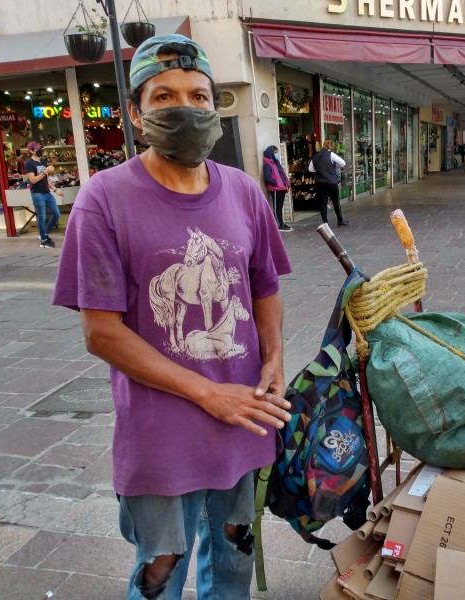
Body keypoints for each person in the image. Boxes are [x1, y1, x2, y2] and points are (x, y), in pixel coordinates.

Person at [52, 34, 293, 600]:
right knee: (161, 572)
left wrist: (275, 358)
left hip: (245, 419)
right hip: (161, 433)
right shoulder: (104, 199)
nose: (184, 107)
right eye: (163, 97)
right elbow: (101, 332)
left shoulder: (244, 192)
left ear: (215, 106)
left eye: (198, 95)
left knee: (234, 555)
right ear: (136, 113)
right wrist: (210, 395)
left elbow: (264, 288)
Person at [24, 140, 62, 248]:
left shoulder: (43, 161)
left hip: (47, 192)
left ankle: (44, 234)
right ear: (32, 150)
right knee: (42, 217)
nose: (40, 150)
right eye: (37, 148)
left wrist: (55, 189)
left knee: (57, 214)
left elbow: (47, 179)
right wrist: (45, 172)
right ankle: (44, 241)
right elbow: (33, 180)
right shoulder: (29, 163)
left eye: (40, 148)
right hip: (37, 193)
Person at [308, 139, 348, 226]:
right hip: (331, 182)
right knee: (335, 201)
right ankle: (340, 220)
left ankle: (325, 222)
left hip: (320, 182)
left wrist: (320, 170)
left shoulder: (315, 156)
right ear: (331, 147)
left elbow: (310, 169)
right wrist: (334, 166)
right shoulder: (331, 154)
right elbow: (343, 163)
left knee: (322, 202)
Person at [262, 145, 293, 231]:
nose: (277, 154)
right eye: (275, 153)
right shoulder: (267, 164)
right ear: (271, 153)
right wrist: (275, 183)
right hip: (276, 189)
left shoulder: (276, 163)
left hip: (282, 188)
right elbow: (267, 177)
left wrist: (286, 184)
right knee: (277, 207)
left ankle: (281, 222)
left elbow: (282, 174)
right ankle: (279, 225)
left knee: (280, 206)